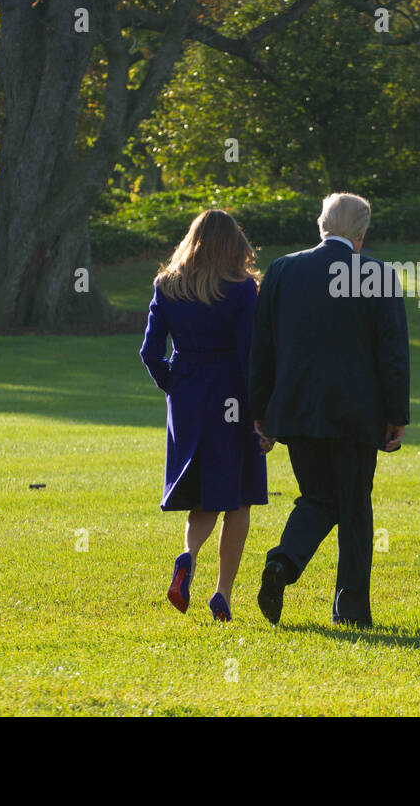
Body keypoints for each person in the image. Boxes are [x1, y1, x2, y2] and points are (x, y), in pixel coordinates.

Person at [249, 192, 410, 628]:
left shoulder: (283, 270)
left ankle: (283, 563)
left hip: (297, 409)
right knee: (354, 507)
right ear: (361, 233)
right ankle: (351, 609)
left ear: (321, 225)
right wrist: (397, 415)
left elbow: (261, 348)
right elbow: (391, 353)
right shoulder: (377, 274)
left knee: (318, 497)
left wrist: (259, 409)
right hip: (357, 413)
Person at [139, 209, 270, 622]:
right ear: (235, 244)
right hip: (232, 394)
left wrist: (175, 385)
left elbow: (149, 351)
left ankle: (188, 555)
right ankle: (223, 594)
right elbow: (251, 354)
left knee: (202, 491)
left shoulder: (167, 285)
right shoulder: (241, 288)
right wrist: (261, 413)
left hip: (188, 396)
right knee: (239, 497)